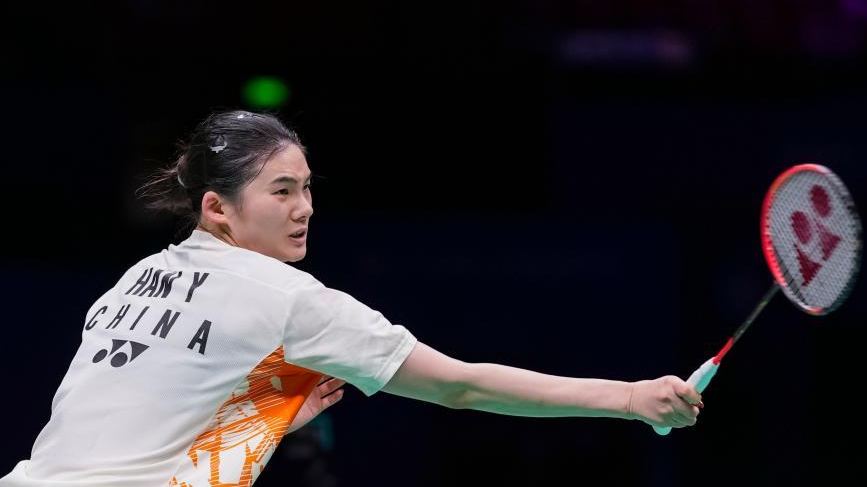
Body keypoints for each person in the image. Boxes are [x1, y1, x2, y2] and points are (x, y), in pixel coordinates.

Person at [0, 110, 701, 486]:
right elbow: (458, 385)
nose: (304, 208)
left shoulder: (132, 281)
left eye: (307, 188)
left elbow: (141, 450)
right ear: (217, 208)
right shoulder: (288, 297)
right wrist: (629, 398)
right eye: (281, 191)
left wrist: (264, 425)